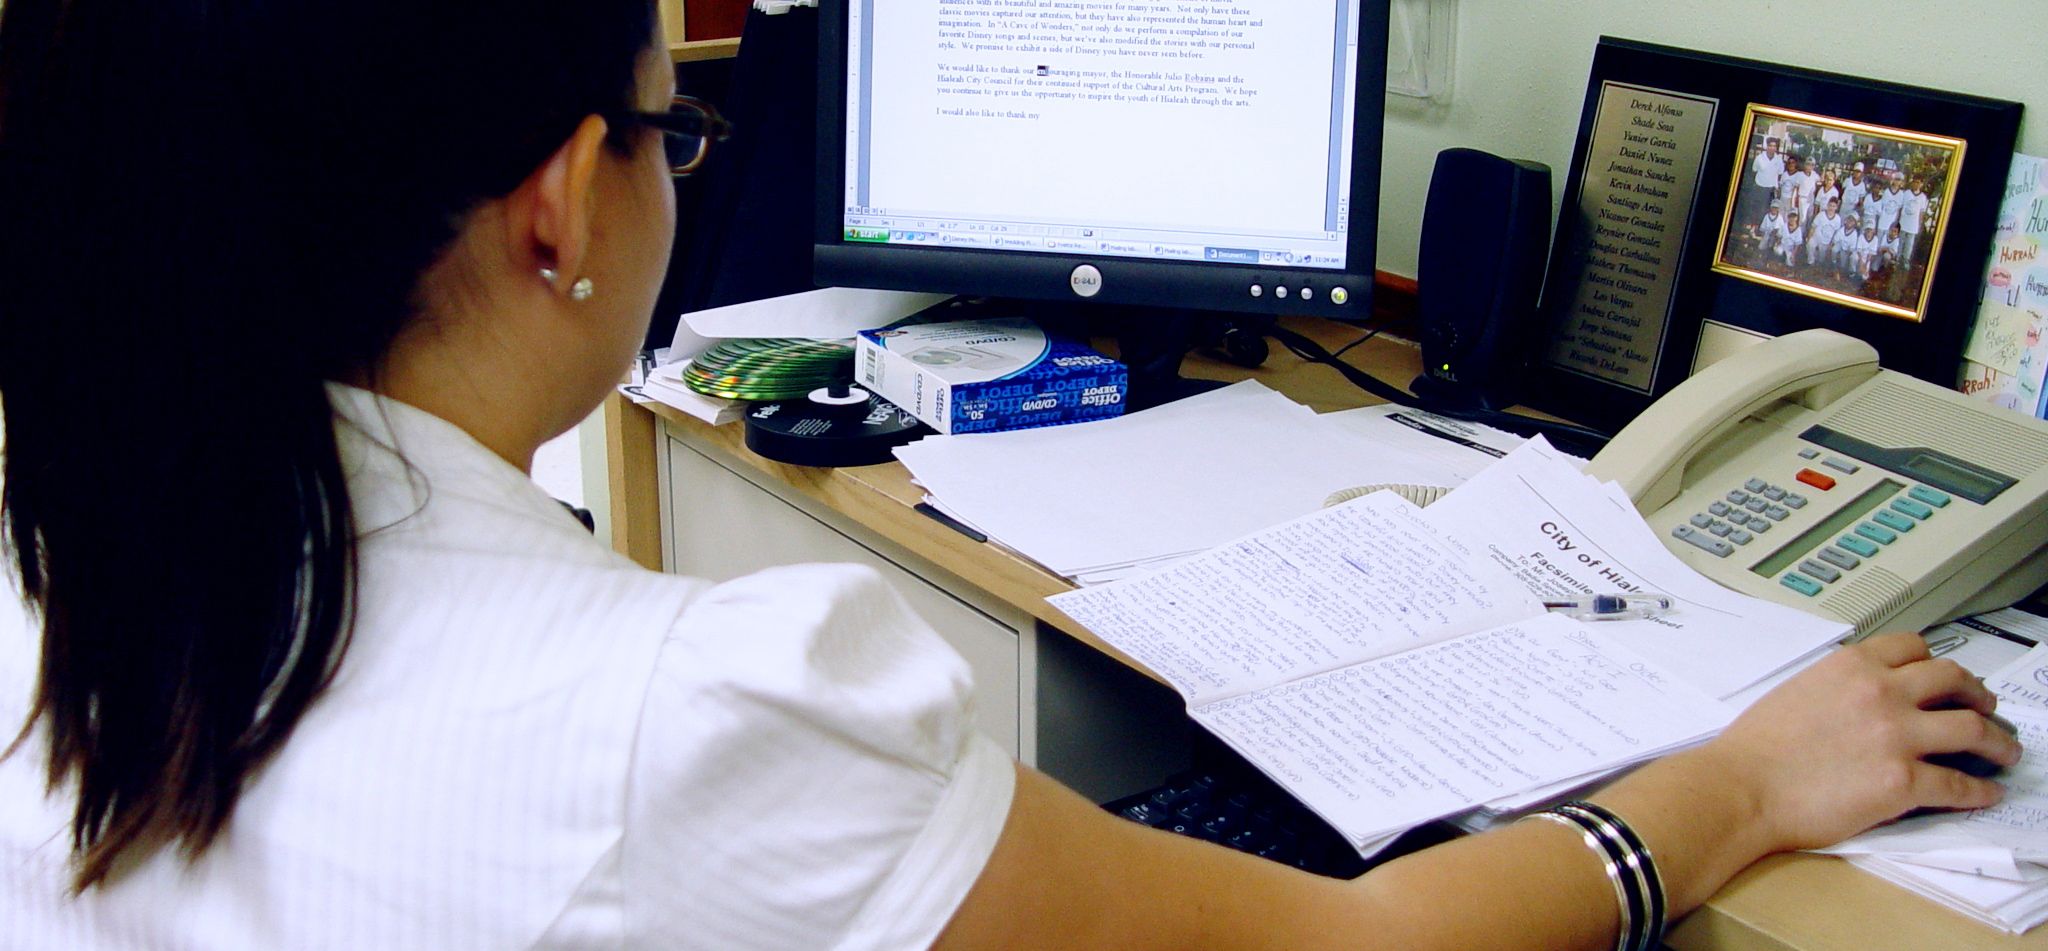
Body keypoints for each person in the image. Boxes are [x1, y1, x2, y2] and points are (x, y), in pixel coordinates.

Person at [0, 3, 2022, 949]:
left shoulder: (69, 539)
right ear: (557, 214)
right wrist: (1747, 773)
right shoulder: (684, 706)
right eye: (663, 129)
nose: (669, 167)